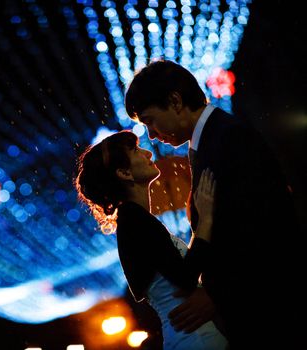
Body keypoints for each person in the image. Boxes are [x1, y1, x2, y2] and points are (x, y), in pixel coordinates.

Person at [124, 59, 305, 348]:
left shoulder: (229, 138)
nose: (152, 135)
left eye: (150, 120)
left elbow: (265, 227)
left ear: (175, 101)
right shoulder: (211, 140)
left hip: (268, 313)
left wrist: (218, 294)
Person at [75, 130, 228, 349]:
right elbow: (185, 277)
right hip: (196, 339)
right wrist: (205, 221)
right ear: (124, 173)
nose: (147, 153)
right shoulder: (135, 222)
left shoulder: (134, 221)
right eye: (135, 150)